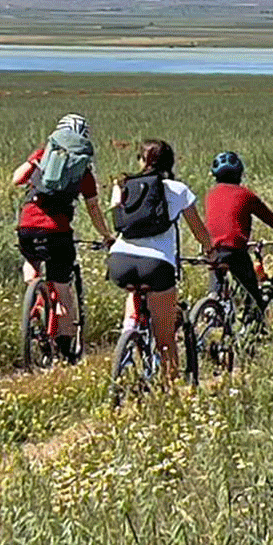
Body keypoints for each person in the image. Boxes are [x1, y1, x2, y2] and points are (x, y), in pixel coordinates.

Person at [107, 139, 214, 379]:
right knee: (165, 340)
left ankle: (128, 332)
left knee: (132, 289)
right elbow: (198, 229)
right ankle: (171, 388)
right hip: (156, 265)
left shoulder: (123, 185)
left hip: (119, 260)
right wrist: (210, 251)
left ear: (142, 161)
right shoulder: (178, 190)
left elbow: (117, 217)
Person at [13, 114, 114, 361]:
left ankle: (34, 298)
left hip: (27, 224)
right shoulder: (84, 172)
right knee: (63, 290)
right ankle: (66, 347)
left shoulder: (41, 156)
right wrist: (107, 236)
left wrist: (35, 165)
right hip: (58, 231)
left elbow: (16, 179)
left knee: (31, 260)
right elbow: (93, 209)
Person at [204, 150, 273, 315]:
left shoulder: (210, 195)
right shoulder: (246, 195)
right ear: (239, 173)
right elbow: (270, 218)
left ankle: (212, 304)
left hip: (212, 250)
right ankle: (256, 329)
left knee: (217, 277)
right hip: (235, 250)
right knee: (252, 295)